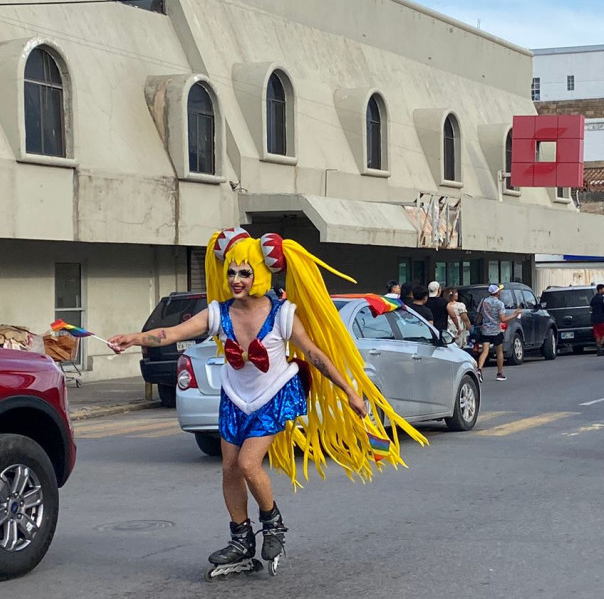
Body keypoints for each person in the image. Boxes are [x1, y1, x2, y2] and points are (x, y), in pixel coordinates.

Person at [107, 228, 425, 579]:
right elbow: (171, 334)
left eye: (245, 272)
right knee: (229, 467)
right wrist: (134, 338)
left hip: (273, 394)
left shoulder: (283, 314)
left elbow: (314, 354)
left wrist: (349, 390)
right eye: (231, 272)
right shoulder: (218, 312)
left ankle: (273, 524)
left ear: (261, 271)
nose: (236, 280)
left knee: (247, 462)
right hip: (235, 396)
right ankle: (241, 540)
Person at [477, 285, 521, 381]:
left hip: (485, 330)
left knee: (485, 351)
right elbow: (503, 319)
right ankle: (499, 373)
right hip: (496, 330)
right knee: (499, 352)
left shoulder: (483, 301)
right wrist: (514, 315)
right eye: (499, 291)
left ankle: (479, 369)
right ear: (497, 292)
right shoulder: (499, 303)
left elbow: (479, 316)